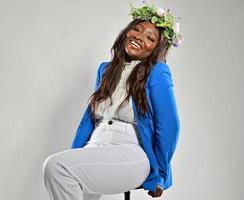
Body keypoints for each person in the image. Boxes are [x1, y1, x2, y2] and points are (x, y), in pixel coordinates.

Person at [42, 2, 182, 199]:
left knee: (56, 167)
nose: (140, 37)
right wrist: (75, 153)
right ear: (127, 32)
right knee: (68, 174)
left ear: (156, 49)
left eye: (150, 38)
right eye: (137, 29)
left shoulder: (157, 72)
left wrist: (160, 173)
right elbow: (88, 120)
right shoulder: (105, 70)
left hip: (130, 150)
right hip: (96, 143)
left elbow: (169, 125)